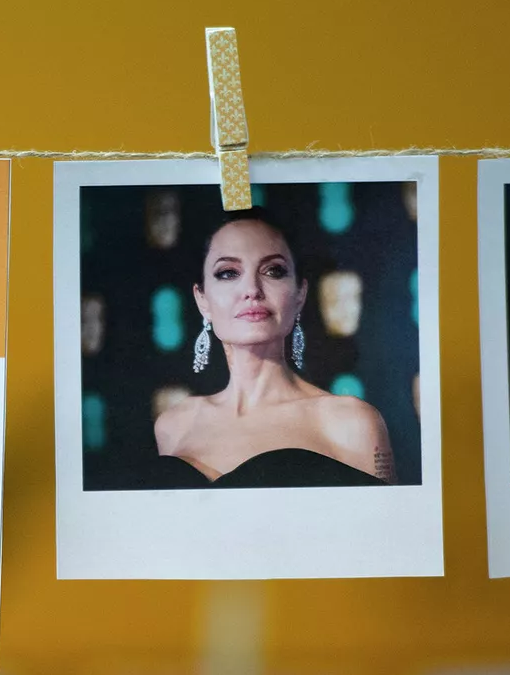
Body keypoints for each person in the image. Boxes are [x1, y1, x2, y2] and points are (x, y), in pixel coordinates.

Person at [151, 208, 396, 487]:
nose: (252, 289)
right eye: (228, 273)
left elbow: (390, 516)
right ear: (202, 299)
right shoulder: (174, 425)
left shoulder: (351, 423)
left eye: (273, 271)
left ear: (300, 294)